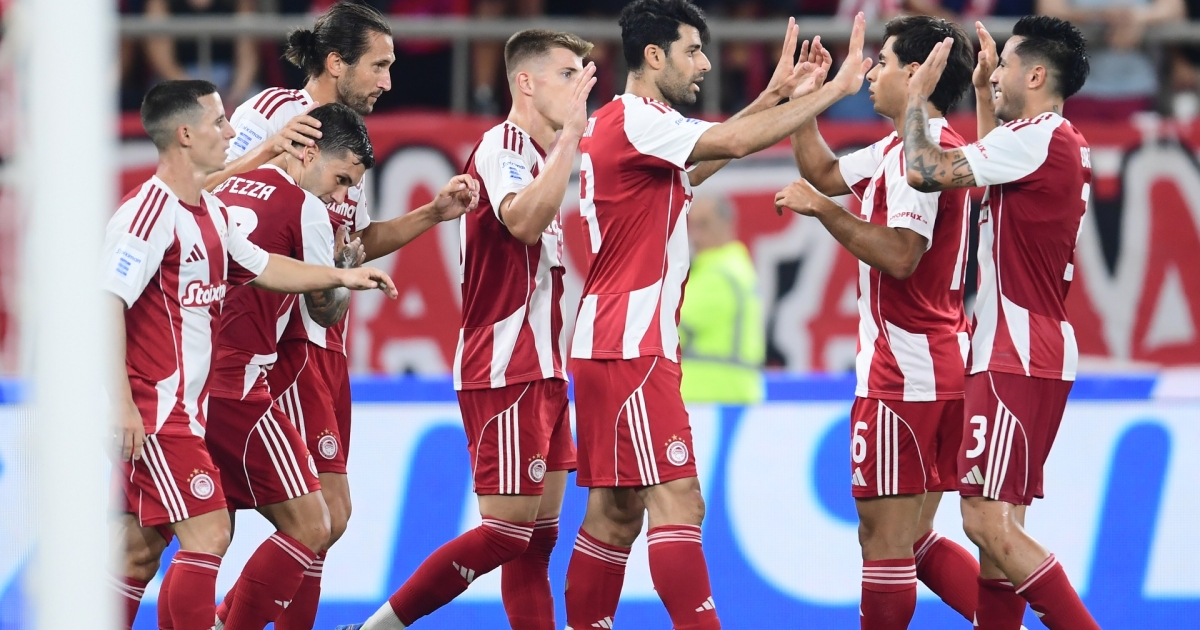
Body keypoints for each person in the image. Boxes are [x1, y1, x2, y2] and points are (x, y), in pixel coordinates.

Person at [562, 2, 872, 628]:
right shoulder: (644, 119)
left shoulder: (622, 123)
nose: (705, 64)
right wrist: (835, 92)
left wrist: (774, 96)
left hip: (608, 341)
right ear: (654, 56)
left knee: (615, 514)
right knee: (681, 501)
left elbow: (704, 160)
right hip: (633, 346)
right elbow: (730, 141)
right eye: (692, 51)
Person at [209, 4, 479, 627]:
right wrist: (265, 151)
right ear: (336, 63)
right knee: (314, 514)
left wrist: (431, 215)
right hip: (281, 338)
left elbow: (351, 244)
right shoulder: (272, 112)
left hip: (328, 339)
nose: (388, 81)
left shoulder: (345, 140)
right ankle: (227, 619)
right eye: (378, 66)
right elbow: (206, 188)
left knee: (325, 519)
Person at [105, 80, 397, 630]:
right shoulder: (148, 213)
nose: (231, 132)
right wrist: (122, 405)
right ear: (185, 134)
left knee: (139, 548)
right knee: (219, 531)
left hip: (191, 408)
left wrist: (342, 275)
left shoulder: (211, 212)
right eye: (219, 122)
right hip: (158, 407)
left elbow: (264, 267)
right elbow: (104, 302)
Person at [334, 29, 596, 630]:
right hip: (505, 365)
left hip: (546, 370)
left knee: (535, 544)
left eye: (583, 75)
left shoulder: (544, 157)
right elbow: (523, 221)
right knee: (506, 534)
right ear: (525, 82)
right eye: (566, 74)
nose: (579, 87)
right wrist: (572, 139)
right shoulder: (504, 146)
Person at [774, 16, 982, 629]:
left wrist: (824, 214)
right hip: (938, 361)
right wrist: (803, 102)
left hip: (904, 372)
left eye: (883, 62)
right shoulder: (905, 146)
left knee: (883, 541)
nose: (870, 74)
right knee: (912, 539)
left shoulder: (919, 155)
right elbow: (825, 173)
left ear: (915, 73)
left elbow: (900, 254)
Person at [901, 16, 1100, 630]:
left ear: (1035, 76)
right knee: (997, 542)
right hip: (1026, 345)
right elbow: (993, 168)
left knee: (987, 522)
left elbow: (924, 169)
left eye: (1005, 64)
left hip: (1016, 350)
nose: (994, 75)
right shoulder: (1045, 140)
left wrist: (916, 100)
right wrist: (985, 91)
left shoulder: (1040, 137)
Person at [678, 195, 766, 404]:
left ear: (727, 225)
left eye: (704, 224)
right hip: (728, 395)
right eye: (692, 226)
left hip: (711, 398)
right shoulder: (734, 267)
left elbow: (668, 330)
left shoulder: (718, 275)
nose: (695, 235)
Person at [143, 0, 260, 106]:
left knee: (255, 103)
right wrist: (195, 91)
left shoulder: (240, 3)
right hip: (176, 80)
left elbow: (247, 56)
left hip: (229, 79)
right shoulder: (160, 3)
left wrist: (236, 94)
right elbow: (162, 59)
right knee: (164, 106)